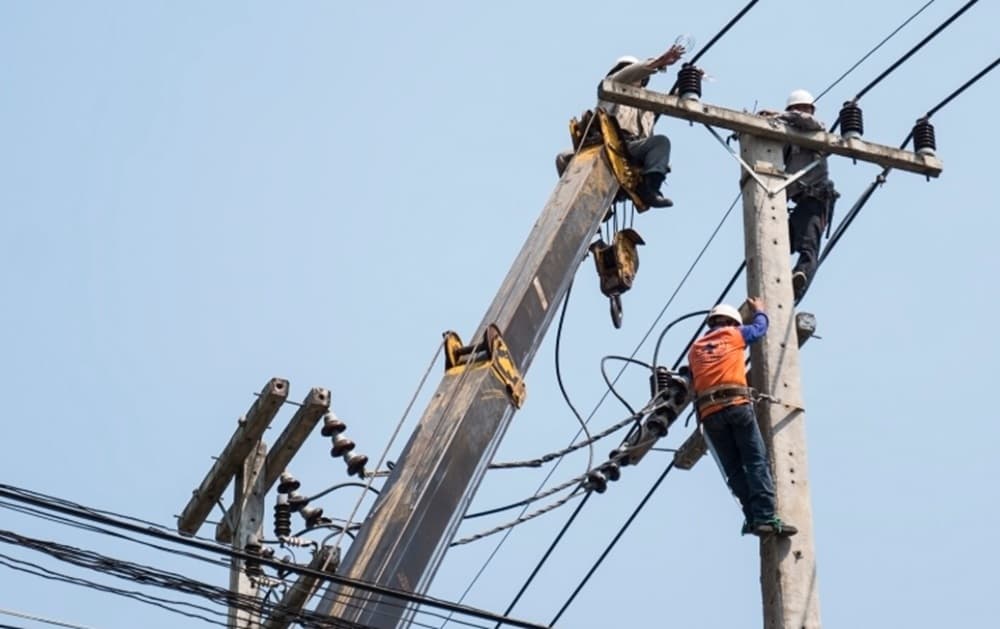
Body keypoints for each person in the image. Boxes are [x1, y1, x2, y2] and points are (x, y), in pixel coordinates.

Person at [687, 299, 798, 537]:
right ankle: (765, 516)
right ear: (732, 322)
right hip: (735, 406)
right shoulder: (733, 334)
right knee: (756, 461)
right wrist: (760, 311)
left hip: (710, 414)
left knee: (735, 469)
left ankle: (752, 517)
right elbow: (759, 329)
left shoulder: (695, 349)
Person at [556, 44, 686, 208]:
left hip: (633, 150)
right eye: (625, 69)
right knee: (563, 157)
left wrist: (690, 80)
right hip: (609, 145)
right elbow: (628, 73)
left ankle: (649, 190)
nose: (630, 74)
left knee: (660, 142)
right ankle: (585, 199)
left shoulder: (648, 103)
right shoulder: (611, 86)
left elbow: (673, 100)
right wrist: (659, 62)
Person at [760, 89, 839, 300]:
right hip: (798, 203)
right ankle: (775, 283)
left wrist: (779, 115)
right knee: (775, 240)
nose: (803, 112)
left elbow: (807, 121)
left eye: (806, 108)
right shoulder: (787, 138)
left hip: (816, 201)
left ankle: (799, 280)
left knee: (808, 247)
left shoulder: (817, 130)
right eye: (798, 108)